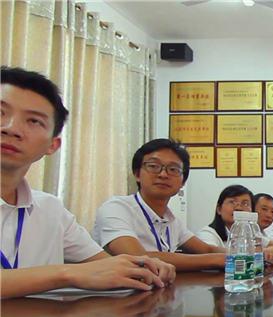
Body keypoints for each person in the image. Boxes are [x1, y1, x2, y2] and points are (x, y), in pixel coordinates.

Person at [1, 66, 174, 299]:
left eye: (33, 121)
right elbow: (82, 273)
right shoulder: (117, 207)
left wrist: (145, 267)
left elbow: (104, 265)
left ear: (53, 145)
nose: (11, 129)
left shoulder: (50, 210)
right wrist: (66, 274)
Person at [93, 139, 229, 271]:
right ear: (137, 174)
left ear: (183, 182)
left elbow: (206, 249)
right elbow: (137, 257)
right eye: (153, 166)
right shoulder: (116, 208)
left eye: (173, 169)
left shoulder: (172, 220)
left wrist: (238, 256)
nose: (163, 174)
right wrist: (215, 260)